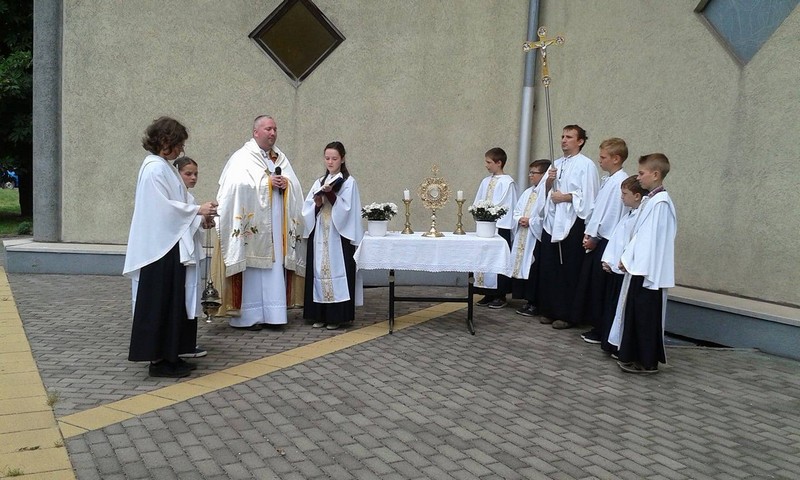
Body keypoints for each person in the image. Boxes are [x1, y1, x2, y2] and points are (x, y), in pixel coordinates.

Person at [123, 117, 217, 378]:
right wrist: (197, 210)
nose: (181, 149)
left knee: (172, 302)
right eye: (179, 143)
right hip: (160, 249)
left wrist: (200, 217)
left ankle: (172, 355)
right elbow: (162, 209)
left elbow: (179, 203)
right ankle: (159, 361)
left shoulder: (163, 168)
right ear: (165, 141)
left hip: (169, 245)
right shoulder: (154, 170)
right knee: (161, 303)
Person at [214, 115, 305, 330]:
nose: (272, 133)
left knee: (274, 267)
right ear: (256, 132)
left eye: (275, 129)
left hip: (276, 227)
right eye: (268, 129)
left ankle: (274, 315)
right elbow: (234, 187)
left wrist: (286, 184)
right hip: (254, 232)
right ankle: (248, 317)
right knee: (253, 273)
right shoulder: (242, 157)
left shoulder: (280, 158)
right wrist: (266, 182)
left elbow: (296, 186)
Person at [609, 154, 677, 374]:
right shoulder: (651, 201)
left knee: (646, 316)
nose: (638, 178)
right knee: (637, 313)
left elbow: (650, 239)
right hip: (639, 267)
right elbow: (639, 236)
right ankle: (634, 355)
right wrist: (627, 257)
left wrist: (630, 260)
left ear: (655, 174)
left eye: (641, 173)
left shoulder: (660, 203)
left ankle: (646, 361)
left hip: (648, 271)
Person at [535, 125, 599, 328]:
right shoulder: (556, 164)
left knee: (568, 268)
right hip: (553, 222)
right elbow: (542, 192)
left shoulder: (586, 165)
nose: (563, 140)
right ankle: (549, 309)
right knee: (550, 266)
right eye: (562, 136)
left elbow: (589, 195)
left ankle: (566, 314)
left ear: (580, 141)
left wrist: (565, 197)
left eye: (569, 137)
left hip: (572, 222)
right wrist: (549, 182)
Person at [302, 142, 364, 330]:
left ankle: (337, 317)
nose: (330, 162)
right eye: (327, 158)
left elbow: (347, 209)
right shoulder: (319, 181)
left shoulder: (348, 182)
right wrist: (317, 203)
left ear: (342, 159)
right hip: (321, 232)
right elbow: (307, 209)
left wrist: (331, 196)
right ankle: (319, 314)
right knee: (319, 272)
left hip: (339, 235)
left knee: (337, 272)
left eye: (334, 158)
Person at [573, 138, 630, 342]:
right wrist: (589, 231)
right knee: (593, 285)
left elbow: (611, 215)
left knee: (601, 287)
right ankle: (596, 323)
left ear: (616, 159)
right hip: (598, 238)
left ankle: (601, 328)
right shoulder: (609, 180)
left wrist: (595, 237)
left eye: (603, 157)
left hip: (605, 241)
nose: (600, 160)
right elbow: (597, 209)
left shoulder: (619, 182)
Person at [599, 175, 648, 355]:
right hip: (615, 268)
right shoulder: (629, 214)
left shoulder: (639, 217)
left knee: (620, 310)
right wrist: (608, 259)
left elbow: (629, 243)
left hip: (623, 270)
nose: (621, 197)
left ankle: (617, 344)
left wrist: (619, 262)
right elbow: (616, 239)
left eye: (625, 194)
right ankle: (610, 342)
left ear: (637, 196)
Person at [174, 157, 212, 359]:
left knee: (192, 296)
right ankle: (182, 343)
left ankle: (187, 342)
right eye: (188, 173)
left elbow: (192, 220)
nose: (193, 177)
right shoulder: (177, 198)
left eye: (196, 174)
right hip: (182, 255)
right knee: (184, 297)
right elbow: (178, 221)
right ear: (177, 174)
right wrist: (200, 216)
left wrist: (205, 220)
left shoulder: (189, 197)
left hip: (191, 253)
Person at [473, 147, 517, 309]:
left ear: (499, 163)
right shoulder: (485, 181)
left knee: (497, 260)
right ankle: (487, 293)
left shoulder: (507, 183)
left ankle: (500, 295)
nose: (486, 165)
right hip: (485, 227)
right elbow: (479, 201)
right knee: (484, 259)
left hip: (500, 227)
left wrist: (499, 221)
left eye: (489, 162)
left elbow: (509, 205)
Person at [511, 159, 550, 316]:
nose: (530, 175)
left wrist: (531, 221)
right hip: (523, 234)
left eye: (534, 173)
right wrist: (519, 219)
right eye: (530, 172)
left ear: (544, 174)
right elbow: (517, 210)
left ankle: (535, 303)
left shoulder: (545, 193)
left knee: (534, 269)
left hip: (535, 238)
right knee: (523, 267)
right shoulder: (528, 192)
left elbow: (546, 216)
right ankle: (527, 301)